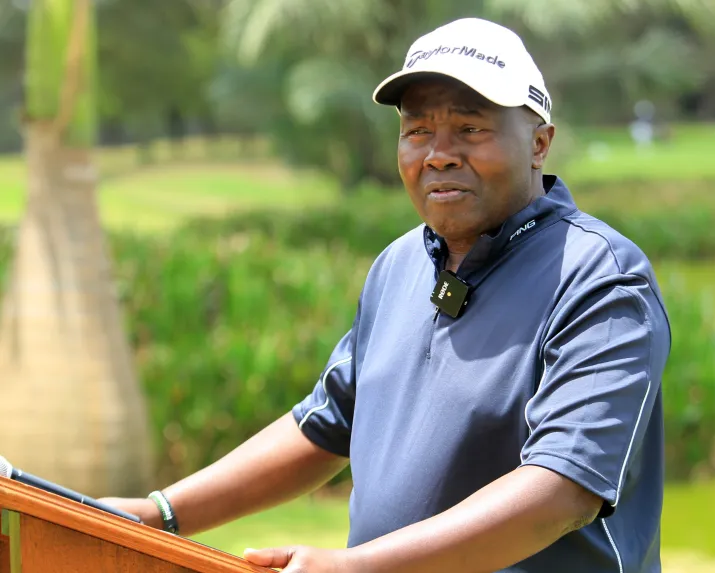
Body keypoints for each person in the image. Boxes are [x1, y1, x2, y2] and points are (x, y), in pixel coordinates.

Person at [103, 17, 671, 573]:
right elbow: (326, 423)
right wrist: (161, 514)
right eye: (417, 131)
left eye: (471, 128)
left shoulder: (600, 279)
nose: (438, 153)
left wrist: (359, 568)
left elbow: (562, 490)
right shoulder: (399, 266)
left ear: (539, 144)